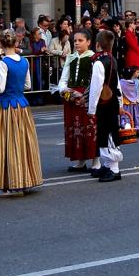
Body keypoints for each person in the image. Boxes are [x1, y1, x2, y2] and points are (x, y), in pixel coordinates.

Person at [0, 29, 43, 196]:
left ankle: (11, 184)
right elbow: (27, 86)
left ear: (1, 45)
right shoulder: (24, 61)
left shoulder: (3, 63)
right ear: (16, 43)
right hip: (22, 105)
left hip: (7, 106)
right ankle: (25, 180)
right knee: (23, 143)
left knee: (8, 143)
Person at [56, 28, 97, 173]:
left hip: (86, 96)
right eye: (75, 41)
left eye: (80, 40)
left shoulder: (93, 58)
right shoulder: (71, 57)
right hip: (72, 97)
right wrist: (64, 90)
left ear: (89, 42)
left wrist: (84, 95)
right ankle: (80, 160)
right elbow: (64, 78)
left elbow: (95, 80)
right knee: (76, 129)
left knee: (90, 128)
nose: (77, 43)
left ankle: (95, 160)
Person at [87, 30, 123, 182]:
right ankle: (108, 164)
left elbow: (96, 88)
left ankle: (114, 169)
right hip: (113, 100)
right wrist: (120, 102)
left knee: (107, 134)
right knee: (109, 132)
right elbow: (117, 84)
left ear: (97, 44)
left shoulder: (99, 62)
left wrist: (91, 109)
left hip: (104, 103)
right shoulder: (112, 59)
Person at [120, 67, 139, 134]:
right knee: (135, 117)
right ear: (131, 74)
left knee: (127, 118)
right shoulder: (133, 82)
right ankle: (136, 129)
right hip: (134, 102)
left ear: (122, 75)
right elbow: (135, 92)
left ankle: (127, 129)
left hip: (126, 103)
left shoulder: (121, 83)